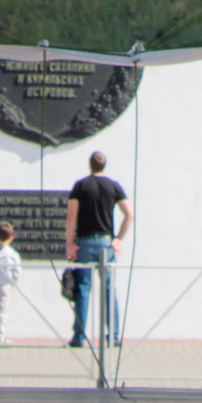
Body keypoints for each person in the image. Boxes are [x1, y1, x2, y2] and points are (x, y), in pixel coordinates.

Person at [66, 149, 129, 351]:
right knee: (109, 289)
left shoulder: (81, 186)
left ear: (90, 165)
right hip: (106, 243)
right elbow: (130, 214)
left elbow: (71, 217)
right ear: (104, 165)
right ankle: (114, 336)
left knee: (83, 289)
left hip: (84, 242)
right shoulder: (113, 186)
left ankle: (79, 336)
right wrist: (119, 238)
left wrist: (70, 244)